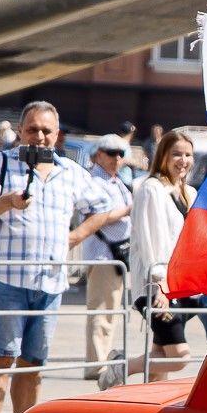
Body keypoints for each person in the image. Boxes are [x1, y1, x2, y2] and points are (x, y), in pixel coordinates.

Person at [0, 101, 118, 413]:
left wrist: (75, 236)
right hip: (6, 277)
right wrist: (7, 202)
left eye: (47, 130)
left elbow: (102, 207)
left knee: (34, 363)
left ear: (57, 133)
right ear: (21, 131)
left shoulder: (70, 170)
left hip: (50, 281)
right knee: (1, 356)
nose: (40, 136)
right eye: (33, 129)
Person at [106, 128, 207, 386]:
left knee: (161, 355)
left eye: (188, 155)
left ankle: (149, 412)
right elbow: (149, 241)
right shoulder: (150, 188)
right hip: (157, 287)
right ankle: (120, 366)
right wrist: (159, 283)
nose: (183, 160)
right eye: (177, 154)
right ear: (163, 155)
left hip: (184, 287)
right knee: (179, 356)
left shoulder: (190, 192)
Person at [78, 134, 135, 380]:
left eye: (121, 153)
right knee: (101, 310)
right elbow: (99, 215)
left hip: (116, 253)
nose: (117, 158)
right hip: (102, 254)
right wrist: (129, 210)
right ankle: (96, 364)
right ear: (98, 154)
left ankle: (100, 360)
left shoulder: (116, 180)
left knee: (110, 309)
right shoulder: (94, 181)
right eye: (111, 153)